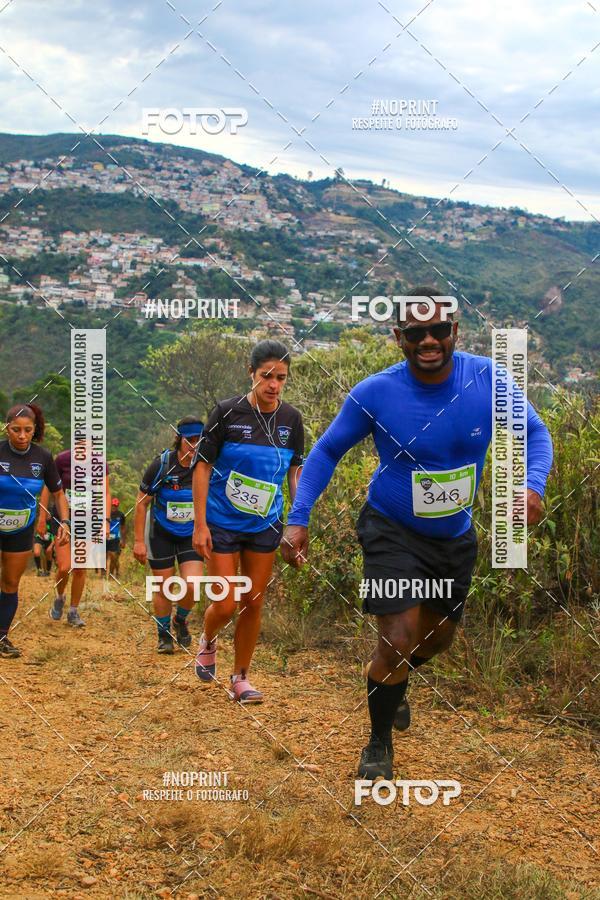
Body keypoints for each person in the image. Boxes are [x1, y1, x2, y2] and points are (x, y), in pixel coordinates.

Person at [282, 287, 553, 780]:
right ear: (398, 338)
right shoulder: (376, 392)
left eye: (437, 331)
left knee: (436, 639)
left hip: (452, 538)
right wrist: (299, 518)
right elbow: (325, 452)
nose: (428, 340)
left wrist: (533, 485)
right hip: (391, 528)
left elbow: (535, 433)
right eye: (415, 333)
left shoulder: (488, 380)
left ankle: (399, 678)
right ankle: (379, 744)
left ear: (455, 332)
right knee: (398, 636)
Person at [192, 339, 304, 703]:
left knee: (253, 602)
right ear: (251, 373)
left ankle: (240, 677)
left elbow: (295, 472)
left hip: (265, 524)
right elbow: (202, 466)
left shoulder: (291, 419)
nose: (273, 385)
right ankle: (208, 638)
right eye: (266, 376)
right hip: (222, 521)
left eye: (281, 378)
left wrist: (297, 522)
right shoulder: (227, 412)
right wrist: (200, 524)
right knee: (225, 602)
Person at [0, 403, 69, 657]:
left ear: (34, 430)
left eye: (27, 430)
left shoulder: (42, 457)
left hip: (20, 530)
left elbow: (59, 494)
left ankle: (2, 638)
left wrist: (64, 521)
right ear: (7, 429)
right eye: (16, 430)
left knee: (10, 583)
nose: (21, 435)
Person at [134, 417, 204, 654]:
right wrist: (138, 542)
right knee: (163, 586)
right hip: (160, 533)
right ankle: (164, 635)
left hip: (190, 535)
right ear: (180, 439)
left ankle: (180, 620)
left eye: (199, 440)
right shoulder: (162, 465)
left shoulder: (205, 466)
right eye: (190, 440)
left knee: (192, 585)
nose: (194, 445)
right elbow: (141, 504)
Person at [39, 446, 111, 627]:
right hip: (63, 519)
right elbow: (49, 487)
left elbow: (106, 493)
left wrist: (106, 521)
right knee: (64, 566)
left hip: (88, 521)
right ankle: (60, 596)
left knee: (80, 568)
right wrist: (43, 514)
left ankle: (73, 611)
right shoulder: (62, 460)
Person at [106, 497, 126, 579]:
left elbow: (123, 528)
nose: (114, 507)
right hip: (106, 537)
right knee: (103, 556)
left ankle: (112, 574)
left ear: (117, 506)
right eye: (113, 505)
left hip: (116, 538)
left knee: (114, 557)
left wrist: (123, 540)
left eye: (115, 506)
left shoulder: (121, 515)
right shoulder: (106, 514)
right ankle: (103, 574)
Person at [33, 512, 55, 577]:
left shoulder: (53, 522)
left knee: (48, 552)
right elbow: (35, 530)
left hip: (50, 540)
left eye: (48, 513)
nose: (46, 515)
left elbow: (55, 536)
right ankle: (39, 570)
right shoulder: (40, 520)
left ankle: (48, 571)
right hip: (39, 538)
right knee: (36, 552)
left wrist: (51, 546)